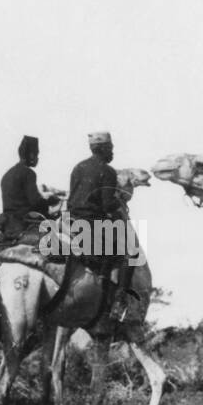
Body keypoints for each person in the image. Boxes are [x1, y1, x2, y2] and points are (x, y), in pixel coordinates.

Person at [69, 131, 137, 317]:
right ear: (104, 148)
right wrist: (119, 203)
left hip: (72, 222)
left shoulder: (78, 167)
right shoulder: (107, 171)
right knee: (131, 251)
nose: (112, 151)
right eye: (111, 147)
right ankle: (119, 302)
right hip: (92, 226)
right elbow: (107, 204)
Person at [0, 134, 58, 236]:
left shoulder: (7, 174)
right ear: (31, 155)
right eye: (36, 154)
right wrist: (50, 201)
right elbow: (35, 201)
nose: (37, 158)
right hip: (24, 222)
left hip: (7, 223)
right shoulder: (28, 173)